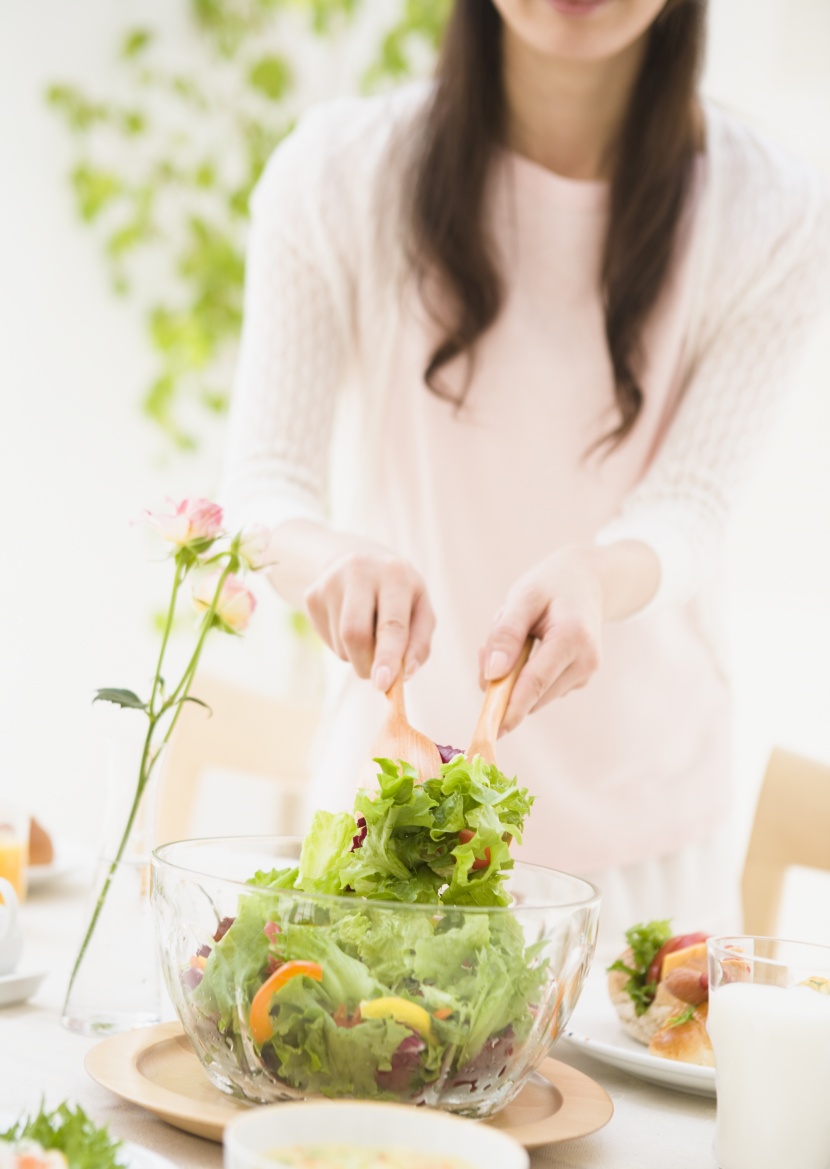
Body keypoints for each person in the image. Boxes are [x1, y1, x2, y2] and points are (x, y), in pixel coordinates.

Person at [223, 0, 830, 947]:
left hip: (647, 845)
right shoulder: (335, 175)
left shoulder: (771, 212)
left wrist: (597, 574)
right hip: (385, 831)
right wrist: (328, 555)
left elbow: (693, 507)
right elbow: (266, 481)